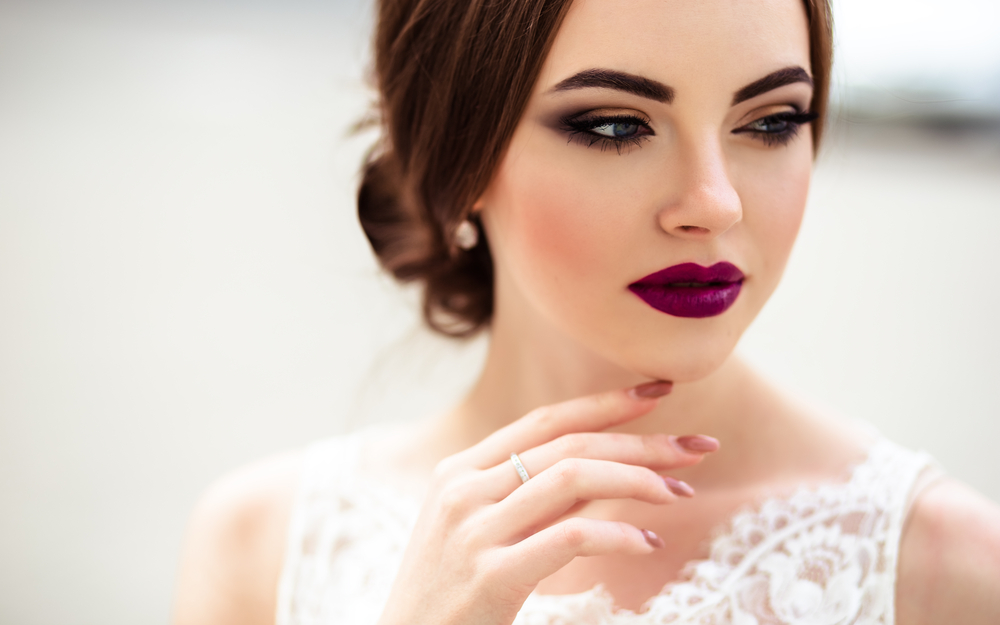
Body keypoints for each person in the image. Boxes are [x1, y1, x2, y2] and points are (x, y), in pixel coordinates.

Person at [172, 0, 1000, 623]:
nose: (714, 203)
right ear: (459, 155)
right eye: (615, 125)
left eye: (771, 120)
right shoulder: (263, 547)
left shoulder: (949, 568)